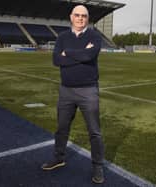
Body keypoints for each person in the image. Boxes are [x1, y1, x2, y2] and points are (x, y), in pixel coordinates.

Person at [41, 5, 105, 184]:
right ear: (71, 17)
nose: (80, 18)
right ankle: (58, 157)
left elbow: (89, 56)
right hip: (66, 90)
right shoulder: (62, 37)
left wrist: (67, 53)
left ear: (87, 18)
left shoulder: (94, 35)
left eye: (84, 16)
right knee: (62, 128)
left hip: (88, 90)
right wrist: (80, 53)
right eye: (77, 15)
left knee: (94, 132)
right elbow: (56, 60)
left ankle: (98, 165)